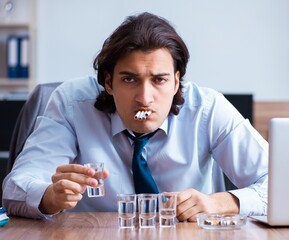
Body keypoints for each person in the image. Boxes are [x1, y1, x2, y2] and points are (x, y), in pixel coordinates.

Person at [2, 12, 268, 220]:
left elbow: (282, 187)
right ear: (108, 82)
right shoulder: (71, 103)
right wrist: (49, 197)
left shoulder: (208, 109)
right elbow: (15, 188)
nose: (144, 97)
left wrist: (221, 202)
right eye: (129, 79)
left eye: (159, 80)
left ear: (176, 82)